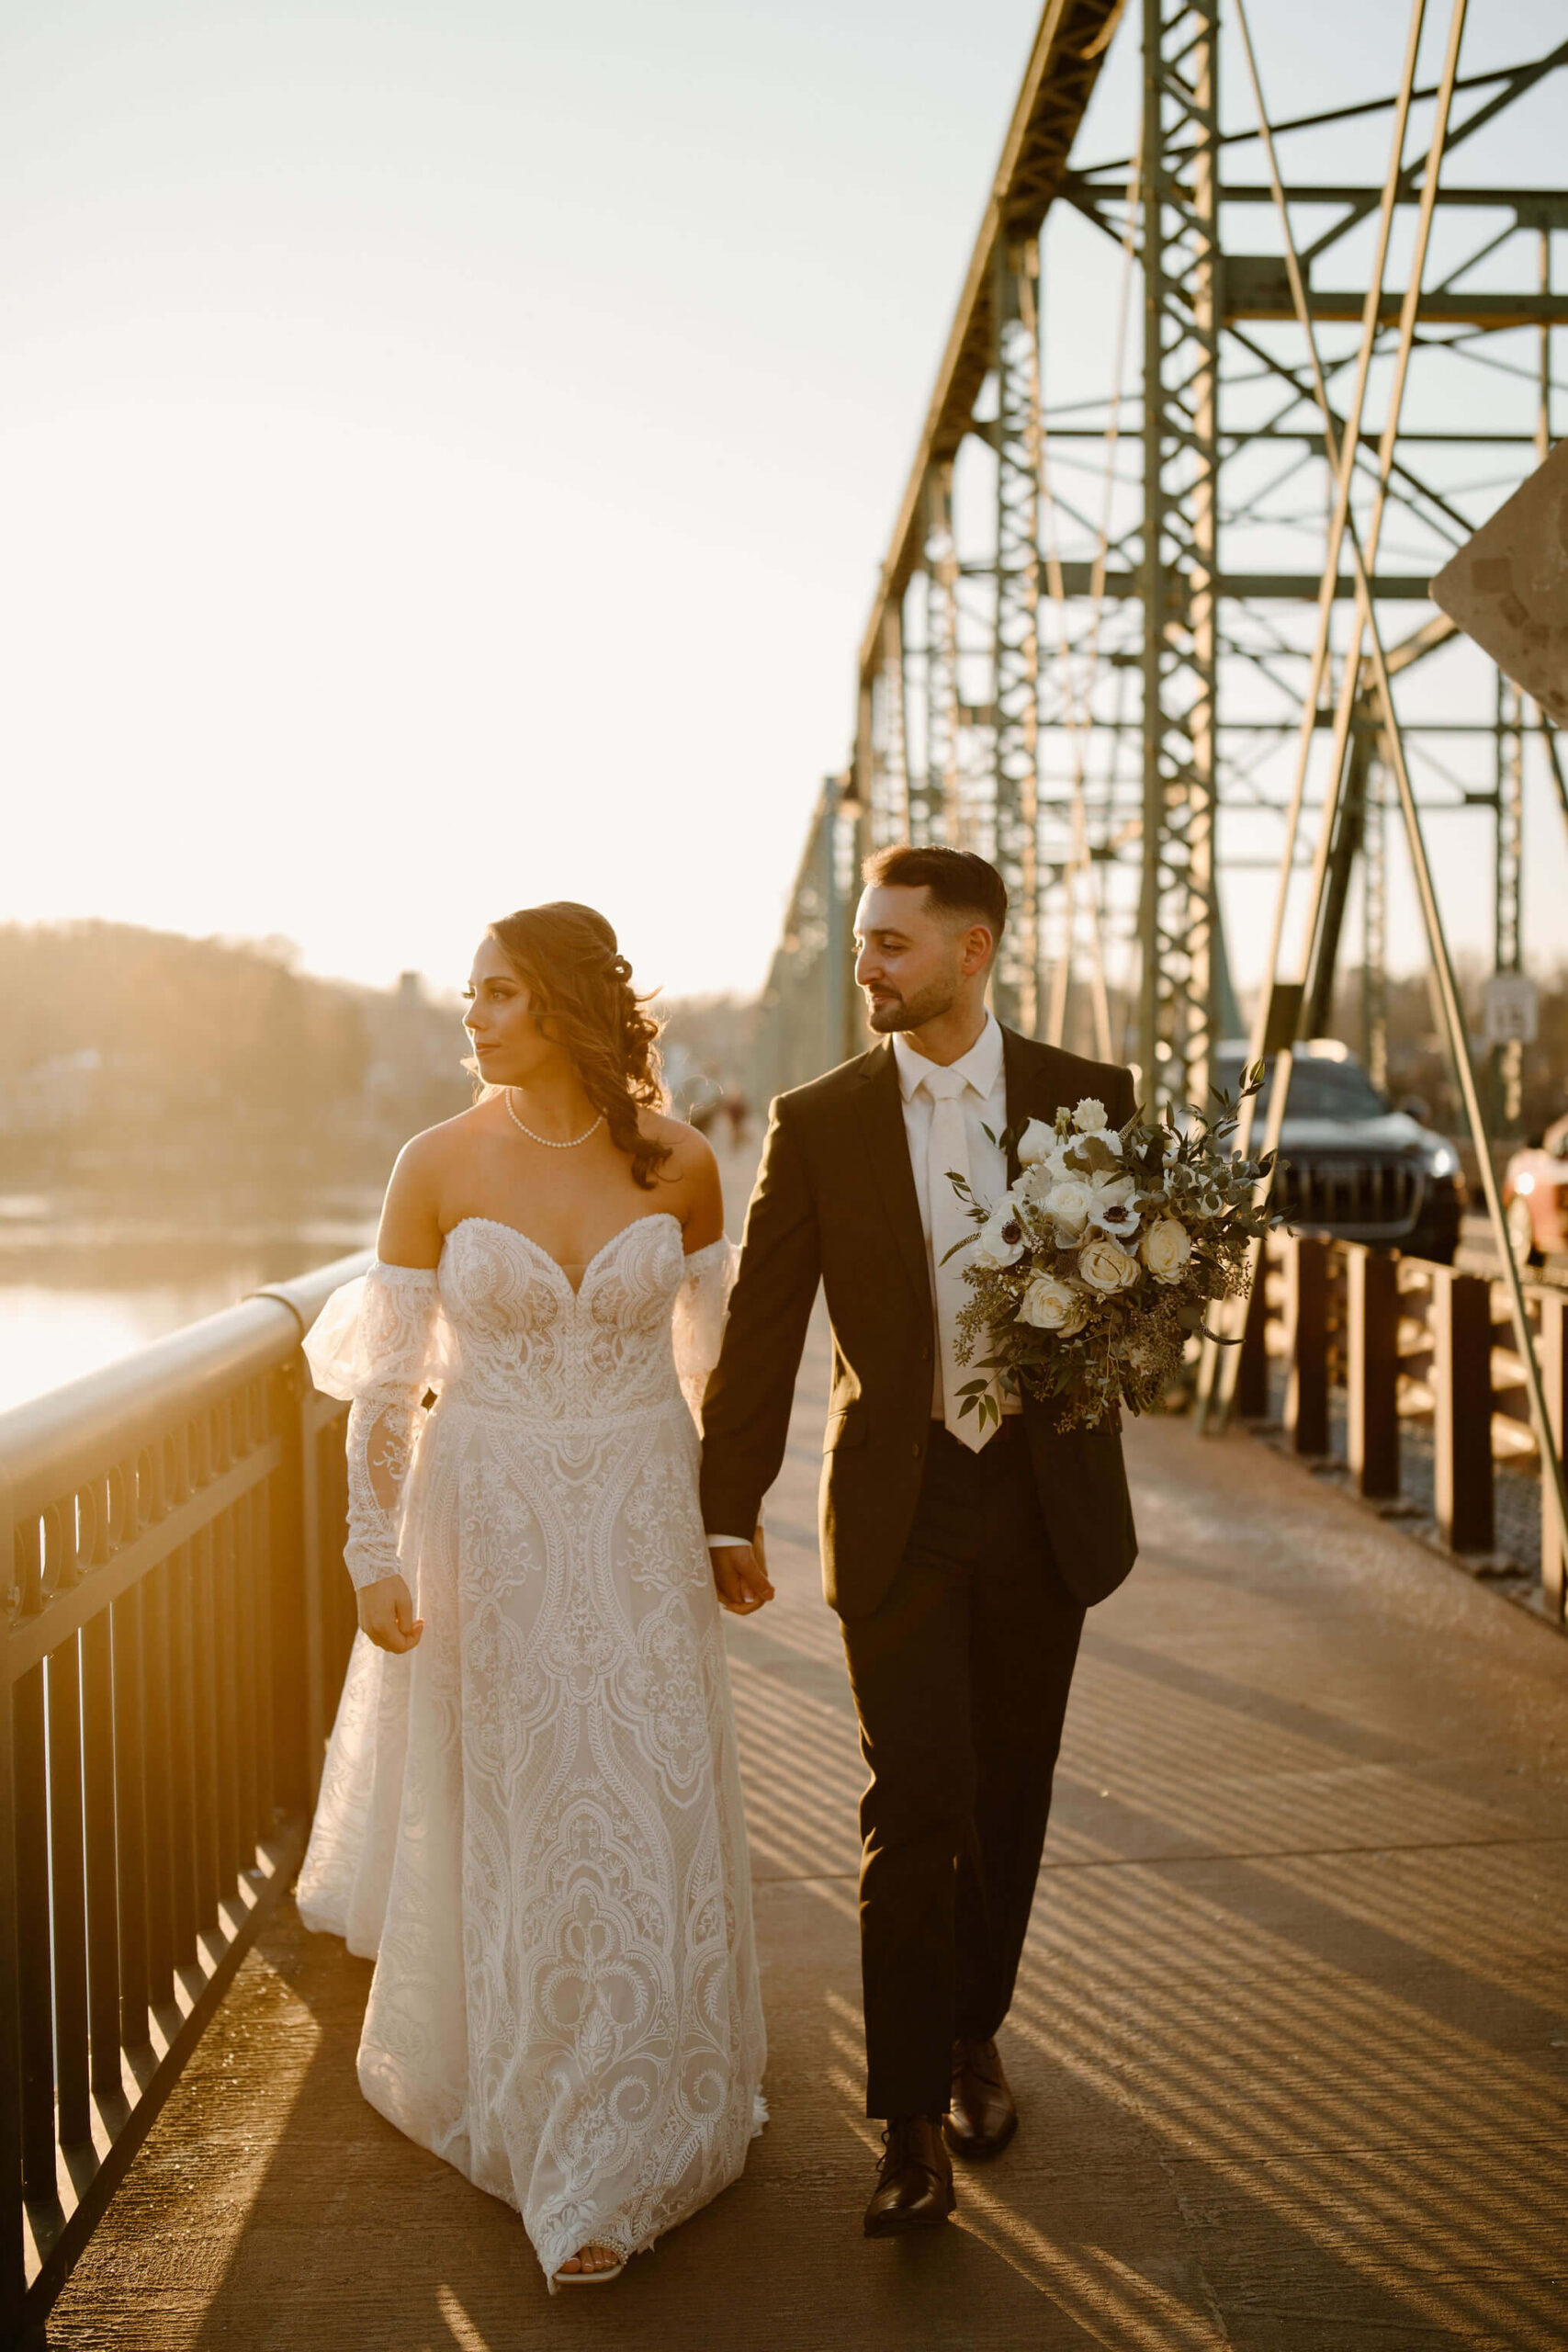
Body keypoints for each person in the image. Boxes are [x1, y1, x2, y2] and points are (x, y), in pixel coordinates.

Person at [297, 901, 772, 2290]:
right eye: (472, 994)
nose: (475, 1017)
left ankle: (640, 2122)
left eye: (499, 994)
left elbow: (713, 1376)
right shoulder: (433, 1163)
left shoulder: (681, 1163)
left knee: (644, 1796)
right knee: (516, 1807)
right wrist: (372, 1551)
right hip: (489, 1519)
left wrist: (725, 1524)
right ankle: (550, 2128)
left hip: (635, 1518)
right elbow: (386, 1385)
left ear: (565, 1006)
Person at [700, 844, 1137, 2237]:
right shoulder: (816, 1119)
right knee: (917, 1801)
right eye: (864, 942)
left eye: (893, 944)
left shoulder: (1090, 1100)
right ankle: (903, 2126)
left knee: (1009, 1794)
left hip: (1040, 1504)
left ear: (973, 950)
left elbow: (1132, 1299)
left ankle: (972, 2035)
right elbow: (763, 1330)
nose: (868, 967)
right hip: (897, 1506)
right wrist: (727, 1505)